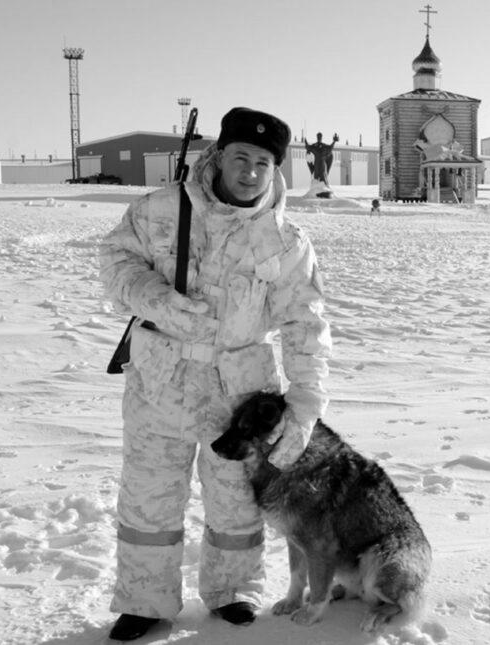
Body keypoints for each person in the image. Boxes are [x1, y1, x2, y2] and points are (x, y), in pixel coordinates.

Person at [98, 107, 331, 641]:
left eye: (264, 162)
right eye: (241, 157)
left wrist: (305, 406)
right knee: (149, 494)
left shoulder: (287, 242)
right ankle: (144, 600)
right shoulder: (161, 210)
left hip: (240, 390)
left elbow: (305, 324)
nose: (250, 171)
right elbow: (116, 264)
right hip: (160, 381)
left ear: (277, 170)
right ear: (220, 155)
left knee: (235, 496)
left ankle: (233, 592)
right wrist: (156, 300)